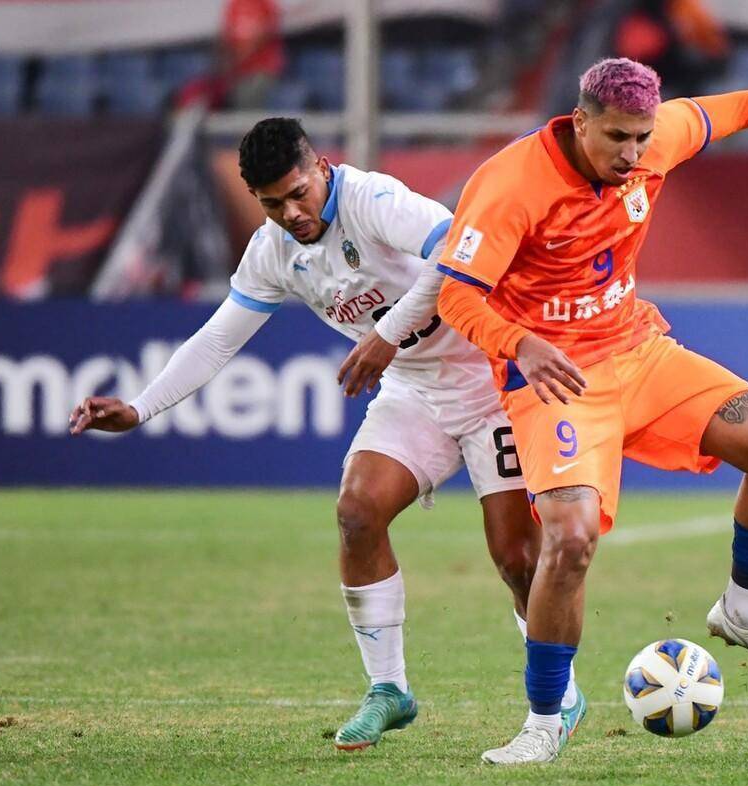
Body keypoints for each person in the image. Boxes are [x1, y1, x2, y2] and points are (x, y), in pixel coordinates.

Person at [435, 58, 748, 763]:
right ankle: (544, 720)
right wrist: (521, 344)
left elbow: (746, 107)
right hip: (558, 379)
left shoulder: (660, 137)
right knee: (569, 539)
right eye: (618, 138)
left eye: (642, 138)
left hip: (639, 352)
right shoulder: (511, 184)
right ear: (580, 122)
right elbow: (456, 296)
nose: (633, 154)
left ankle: (743, 610)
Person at [69, 118, 586, 751]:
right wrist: (141, 408)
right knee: (357, 512)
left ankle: (560, 693)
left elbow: (458, 252)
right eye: (272, 204)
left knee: (518, 559)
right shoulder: (272, 251)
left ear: (321, 168)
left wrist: (387, 333)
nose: (291, 213)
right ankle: (388, 689)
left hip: (493, 379)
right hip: (417, 391)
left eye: (298, 193)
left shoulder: (373, 200)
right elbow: (218, 338)